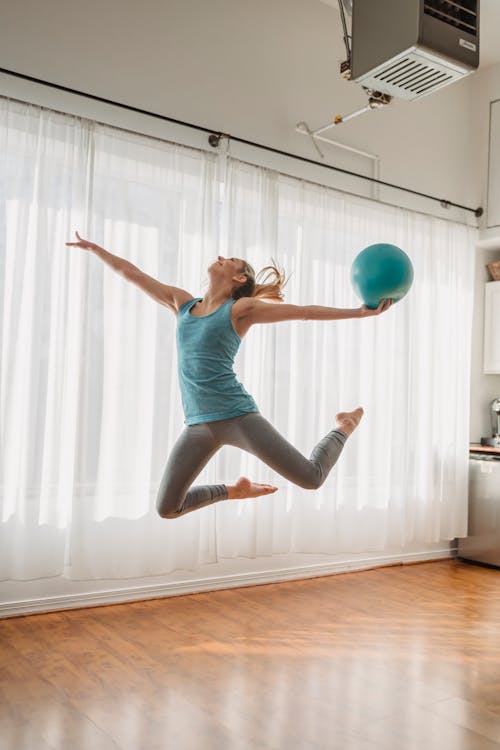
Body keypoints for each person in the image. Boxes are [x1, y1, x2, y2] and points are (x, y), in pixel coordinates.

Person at [66, 231, 392, 519]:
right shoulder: (182, 303)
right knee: (167, 508)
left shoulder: (240, 310)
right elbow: (132, 273)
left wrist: (361, 313)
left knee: (311, 478)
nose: (221, 258)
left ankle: (344, 426)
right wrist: (96, 249)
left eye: (230, 260)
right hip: (198, 424)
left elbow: (305, 312)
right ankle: (234, 490)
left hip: (238, 417)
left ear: (238, 279)